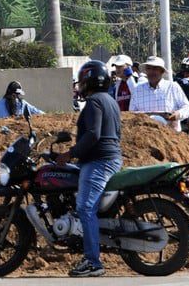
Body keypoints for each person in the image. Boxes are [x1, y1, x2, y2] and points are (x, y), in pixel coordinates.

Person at [56, 60, 122, 278]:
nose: (80, 84)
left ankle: (93, 262)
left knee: (85, 208)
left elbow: (93, 134)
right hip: (108, 158)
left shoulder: (94, 102)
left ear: (90, 79)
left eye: (83, 79)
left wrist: (70, 153)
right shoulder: (110, 100)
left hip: (99, 162)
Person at [129, 56, 189, 131]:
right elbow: (131, 114)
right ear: (146, 71)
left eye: (155, 68)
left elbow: (187, 108)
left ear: (162, 71)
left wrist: (178, 114)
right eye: (149, 68)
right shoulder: (138, 90)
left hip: (171, 136)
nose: (151, 72)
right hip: (144, 136)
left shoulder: (172, 87)